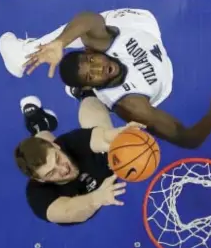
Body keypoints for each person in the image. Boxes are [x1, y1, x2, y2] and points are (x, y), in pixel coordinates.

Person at [0, 8, 211, 149]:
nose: (99, 69)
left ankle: (46, 48)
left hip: (144, 29)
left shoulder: (102, 44)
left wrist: (60, 43)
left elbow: (89, 19)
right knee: (100, 115)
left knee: (86, 29)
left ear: (93, 53)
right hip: (157, 85)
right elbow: (187, 139)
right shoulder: (133, 105)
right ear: (90, 84)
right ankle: (25, 55)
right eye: (91, 76)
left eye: (92, 61)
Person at [15, 94, 145, 225]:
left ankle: (85, 92)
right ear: (40, 179)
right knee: (44, 140)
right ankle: (39, 126)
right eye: (51, 173)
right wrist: (98, 198)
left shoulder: (70, 143)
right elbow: (67, 211)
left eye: (58, 159)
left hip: (98, 161)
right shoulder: (37, 195)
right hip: (87, 197)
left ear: (57, 147)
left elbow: (102, 137)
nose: (64, 169)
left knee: (93, 111)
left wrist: (118, 136)